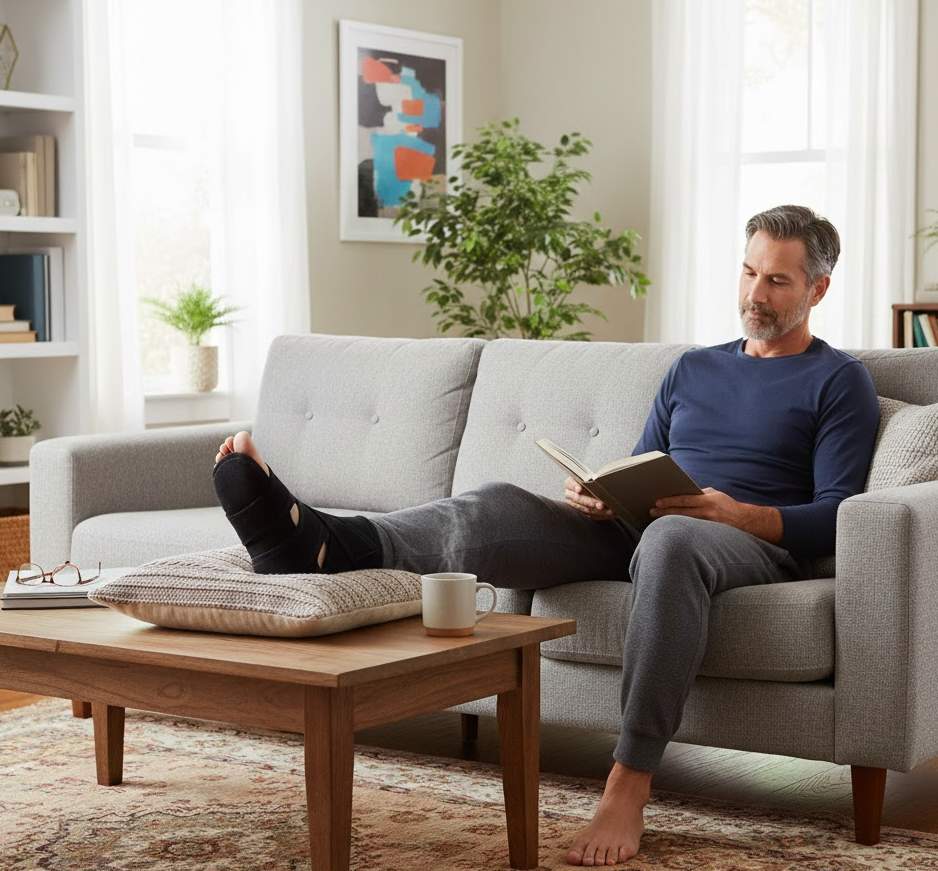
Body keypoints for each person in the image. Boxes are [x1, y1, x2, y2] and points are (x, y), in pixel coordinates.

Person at [211, 204, 880, 867]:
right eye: (748, 272)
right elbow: (645, 463)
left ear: (818, 288)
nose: (754, 294)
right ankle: (324, 544)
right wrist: (601, 492)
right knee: (499, 504)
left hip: (745, 544)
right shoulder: (693, 368)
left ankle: (629, 781)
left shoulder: (837, 379)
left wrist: (738, 513)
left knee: (674, 539)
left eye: (777, 281)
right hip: (643, 528)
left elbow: (837, 510)